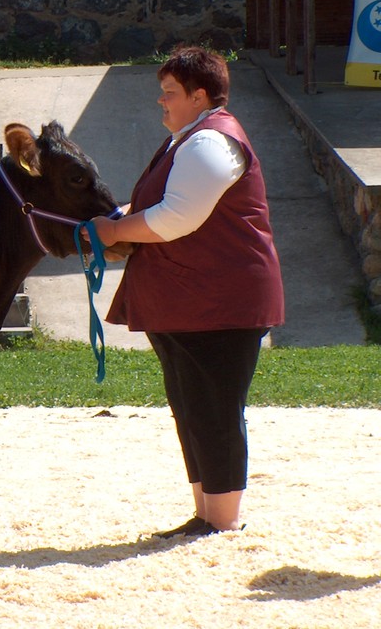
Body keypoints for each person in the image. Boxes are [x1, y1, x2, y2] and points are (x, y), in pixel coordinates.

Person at [91, 45, 284, 538]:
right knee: (192, 406)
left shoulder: (210, 143)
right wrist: (119, 221)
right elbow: (165, 206)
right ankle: (206, 514)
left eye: (170, 92)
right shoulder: (189, 141)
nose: (162, 101)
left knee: (213, 410)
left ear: (199, 96)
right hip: (190, 301)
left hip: (218, 303)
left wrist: (115, 231)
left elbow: (178, 216)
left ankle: (222, 521)